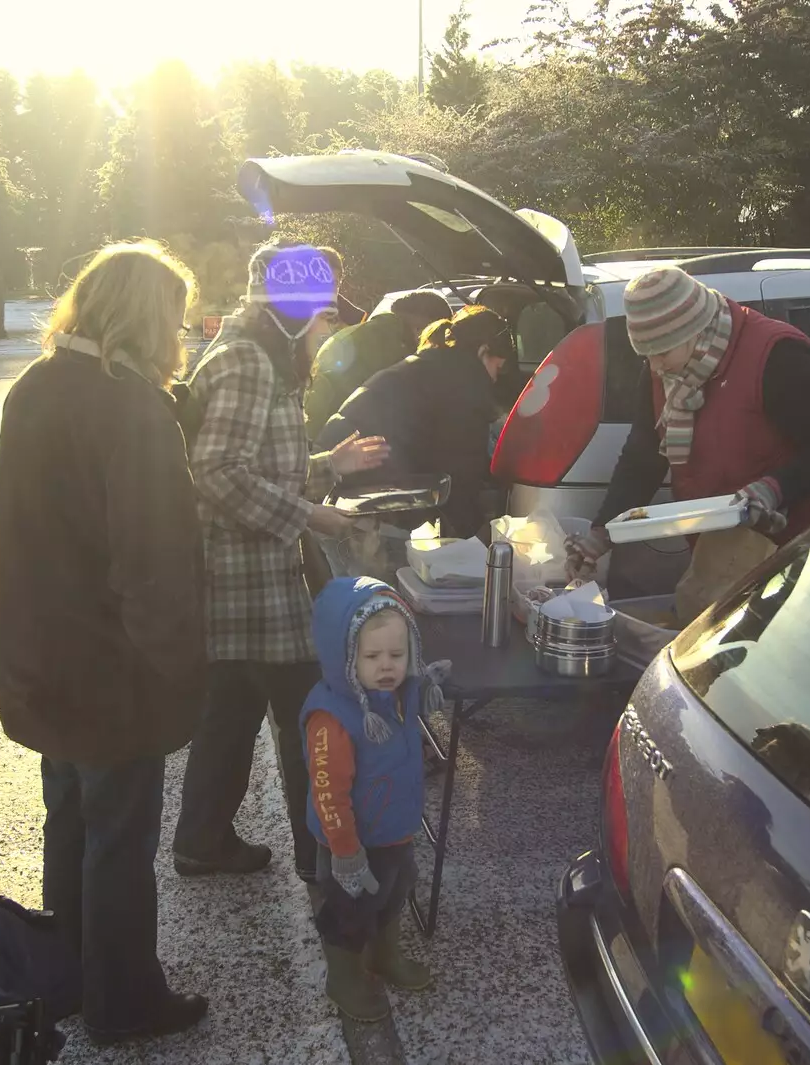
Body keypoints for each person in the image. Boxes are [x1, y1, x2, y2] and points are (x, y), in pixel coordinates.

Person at [0, 240, 209, 1043]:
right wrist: (180, 667)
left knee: (70, 823)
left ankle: (70, 979)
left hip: (42, 661)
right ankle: (126, 1002)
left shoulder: (34, 386)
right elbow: (152, 561)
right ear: (150, 318)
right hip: (110, 670)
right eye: (177, 319)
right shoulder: (131, 405)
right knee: (118, 841)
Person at [173, 243, 389, 883]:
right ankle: (323, 859)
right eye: (322, 314)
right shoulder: (246, 361)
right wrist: (309, 514)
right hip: (252, 582)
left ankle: (202, 842)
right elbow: (213, 472)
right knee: (308, 719)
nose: (326, 328)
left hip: (250, 578)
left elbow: (261, 465)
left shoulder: (261, 354)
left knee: (230, 711)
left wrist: (329, 467)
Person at [567, 265, 810, 588]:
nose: (655, 365)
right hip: (726, 555)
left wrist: (773, 488)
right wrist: (601, 534)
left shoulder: (774, 355)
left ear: (693, 330)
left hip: (797, 552)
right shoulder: (662, 371)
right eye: (646, 355)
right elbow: (642, 458)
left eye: (661, 353)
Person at [301, 577, 447, 1021]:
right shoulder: (333, 719)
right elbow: (329, 793)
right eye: (372, 656)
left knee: (394, 891)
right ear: (343, 657)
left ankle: (384, 955)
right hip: (352, 843)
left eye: (398, 656)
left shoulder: (395, 695)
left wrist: (425, 683)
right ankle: (342, 976)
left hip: (393, 831)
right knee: (350, 910)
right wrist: (345, 852)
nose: (387, 666)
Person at [316, 306, 514, 540]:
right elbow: (460, 477)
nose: (493, 379)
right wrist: (482, 544)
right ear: (483, 351)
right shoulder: (464, 386)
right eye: (497, 368)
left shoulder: (431, 365)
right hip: (363, 496)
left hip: (337, 477)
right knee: (381, 568)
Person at [302, 288, 451, 440]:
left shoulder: (361, 335)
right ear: (421, 327)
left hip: (322, 438)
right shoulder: (396, 350)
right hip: (352, 446)